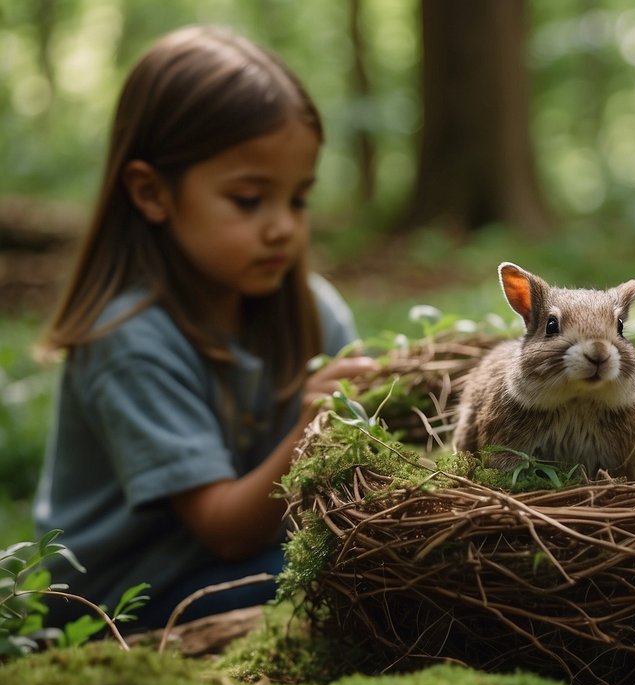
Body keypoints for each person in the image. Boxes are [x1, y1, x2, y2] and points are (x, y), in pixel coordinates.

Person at [34, 25, 379, 630]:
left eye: (298, 199)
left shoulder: (312, 311)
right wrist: (310, 428)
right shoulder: (128, 339)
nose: (282, 228)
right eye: (249, 200)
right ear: (151, 193)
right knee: (319, 583)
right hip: (122, 602)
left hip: (240, 562)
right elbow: (225, 532)